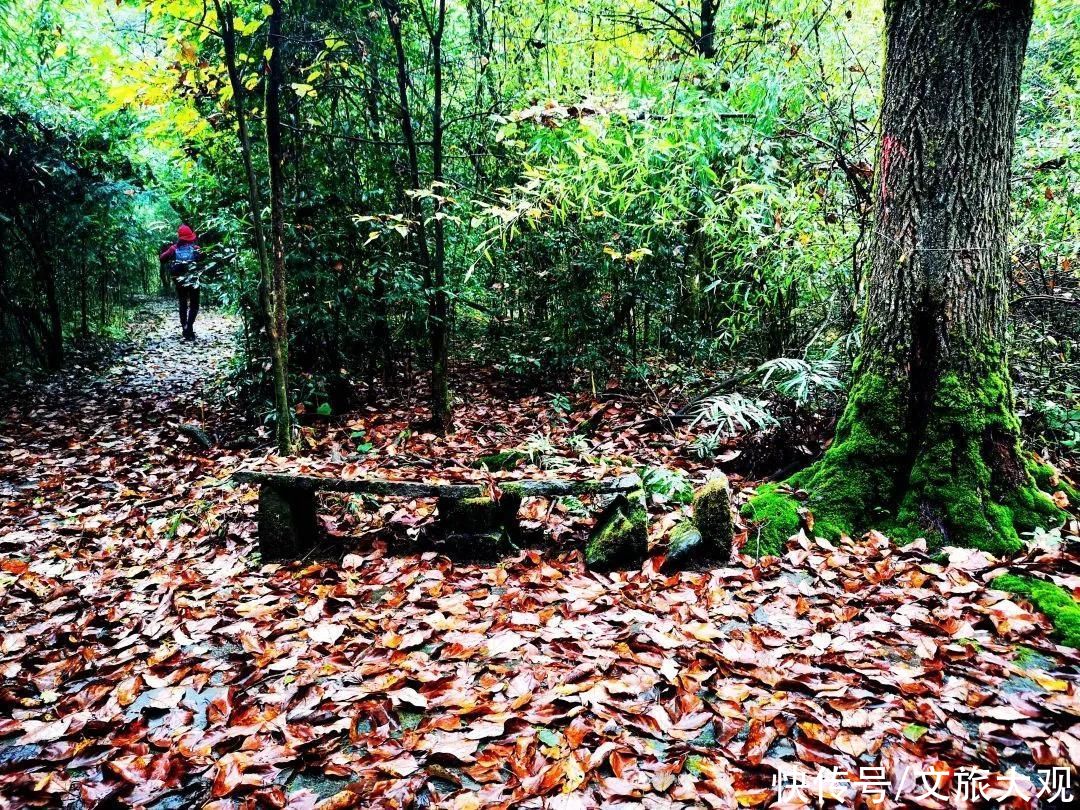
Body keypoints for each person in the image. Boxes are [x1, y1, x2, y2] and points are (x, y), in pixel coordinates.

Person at [160, 224, 202, 341]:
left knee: (182, 303)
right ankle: (190, 327)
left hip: (179, 280)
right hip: (193, 280)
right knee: (194, 304)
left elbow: (162, 259)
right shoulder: (196, 249)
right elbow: (204, 258)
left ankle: (184, 327)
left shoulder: (173, 249)